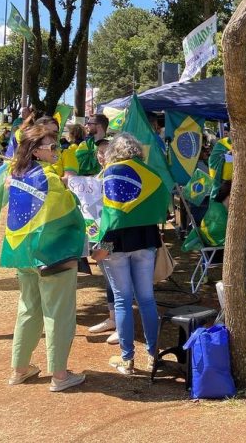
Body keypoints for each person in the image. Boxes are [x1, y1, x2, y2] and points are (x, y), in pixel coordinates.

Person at [1, 125, 86, 391]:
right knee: (58, 313)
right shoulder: (49, 179)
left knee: (28, 310)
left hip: (22, 254)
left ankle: (19, 369)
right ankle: (60, 376)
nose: (57, 151)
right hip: (52, 254)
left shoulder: (14, 175)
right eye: (52, 147)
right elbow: (71, 213)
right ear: (36, 150)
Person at [91, 134, 163, 375]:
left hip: (116, 246)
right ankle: (154, 355)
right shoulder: (151, 174)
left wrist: (103, 248)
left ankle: (127, 359)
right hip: (146, 241)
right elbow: (162, 208)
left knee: (122, 300)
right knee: (147, 299)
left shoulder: (111, 173)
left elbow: (113, 217)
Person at [88, 138, 120, 345]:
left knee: (117, 279)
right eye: (99, 152)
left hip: (113, 238)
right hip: (97, 236)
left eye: (105, 151)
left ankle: (121, 323)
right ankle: (113, 319)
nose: (101, 155)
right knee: (108, 277)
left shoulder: (117, 175)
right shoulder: (98, 176)